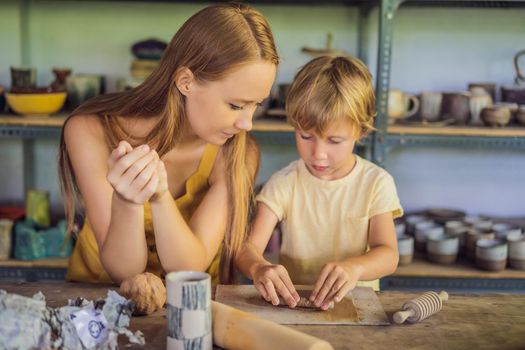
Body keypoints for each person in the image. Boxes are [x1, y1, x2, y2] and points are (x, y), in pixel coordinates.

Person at [58, 3, 278, 285]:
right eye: (236, 105)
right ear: (186, 82)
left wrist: (160, 196)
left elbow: (189, 267)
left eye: (256, 106)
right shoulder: (90, 130)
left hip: (193, 309)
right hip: (98, 305)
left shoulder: (239, 151)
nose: (247, 124)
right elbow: (124, 272)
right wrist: (128, 201)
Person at [235, 55, 403, 310]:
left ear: (362, 130)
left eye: (334, 141)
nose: (318, 153)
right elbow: (247, 248)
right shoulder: (284, 183)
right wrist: (259, 267)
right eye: (306, 136)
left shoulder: (376, 183)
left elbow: (388, 255)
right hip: (294, 307)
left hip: (358, 305)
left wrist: (354, 267)